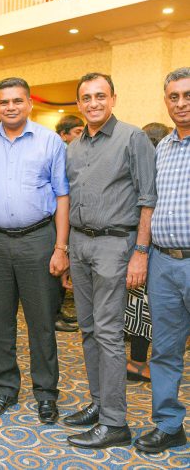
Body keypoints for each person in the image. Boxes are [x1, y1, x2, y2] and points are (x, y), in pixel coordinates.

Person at [64, 72, 156, 449]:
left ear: (113, 98)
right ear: (79, 104)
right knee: (87, 329)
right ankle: (100, 403)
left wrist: (141, 252)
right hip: (80, 244)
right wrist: (66, 250)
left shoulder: (132, 138)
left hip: (115, 245)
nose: (93, 103)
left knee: (108, 333)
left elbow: (148, 200)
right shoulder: (74, 147)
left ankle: (115, 421)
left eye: (100, 96)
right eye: (86, 97)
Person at [0, 78, 69, 423]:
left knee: (41, 322)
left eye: (17, 100)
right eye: (4, 101)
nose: (10, 107)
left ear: (30, 103)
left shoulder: (50, 141)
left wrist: (61, 247)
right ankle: (4, 389)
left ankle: (46, 393)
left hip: (38, 239)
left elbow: (62, 196)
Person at [135, 67, 190, 453]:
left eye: (188, 95)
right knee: (165, 351)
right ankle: (169, 425)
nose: (181, 103)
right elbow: (149, 205)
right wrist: (142, 253)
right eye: (174, 97)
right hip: (163, 264)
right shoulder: (162, 149)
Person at [125, 122, 171, 383]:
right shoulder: (160, 170)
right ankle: (140, 363)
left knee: (138, 304)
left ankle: (137, 361)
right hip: (152, 245)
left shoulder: (137, 166)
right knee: (147, 305)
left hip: (135, 242)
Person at [54, 114, 85, 333]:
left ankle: (58, 311)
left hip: (73, 218)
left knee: (64, 266)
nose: (81, 136)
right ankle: (54, 315)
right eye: (77, 132)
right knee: (56, 268)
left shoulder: (78, 153)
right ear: (63, 135)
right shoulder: (60, 155)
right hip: (56, 219)